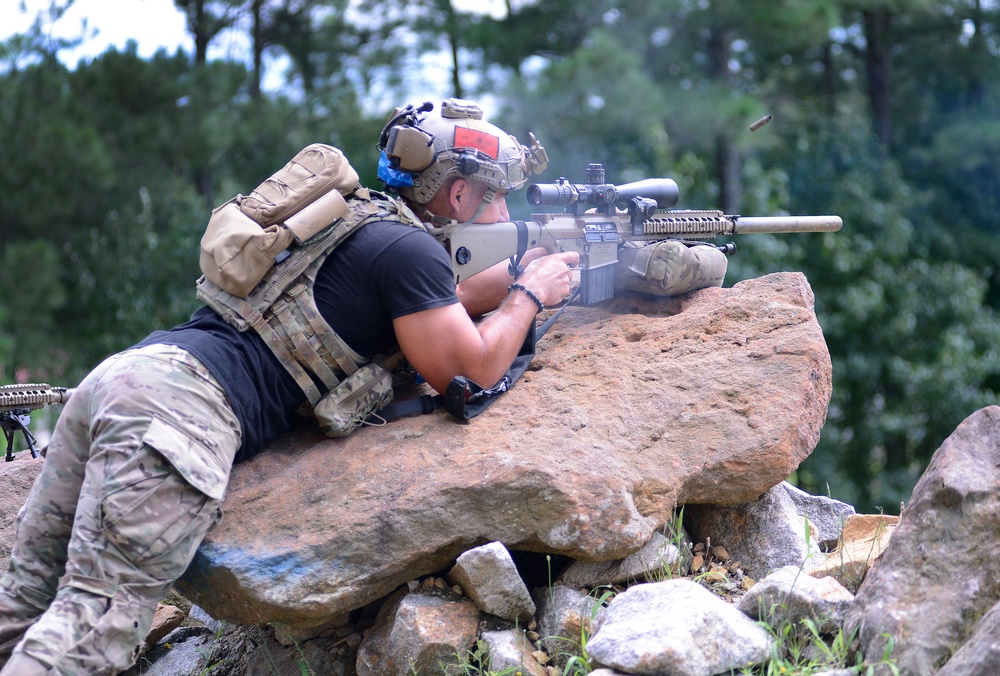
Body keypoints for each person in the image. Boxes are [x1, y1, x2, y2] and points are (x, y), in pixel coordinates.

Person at [0, 98, 722, 675]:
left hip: (129, 379)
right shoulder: (408, 251)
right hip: (182, 417)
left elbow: (434, 305)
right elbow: (466, 366)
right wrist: (530, 294)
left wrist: (532, 270)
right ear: (462, 194)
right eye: (499, 202)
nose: (507, 216)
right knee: (92, 630)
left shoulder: (366, 226)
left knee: (21, 607)